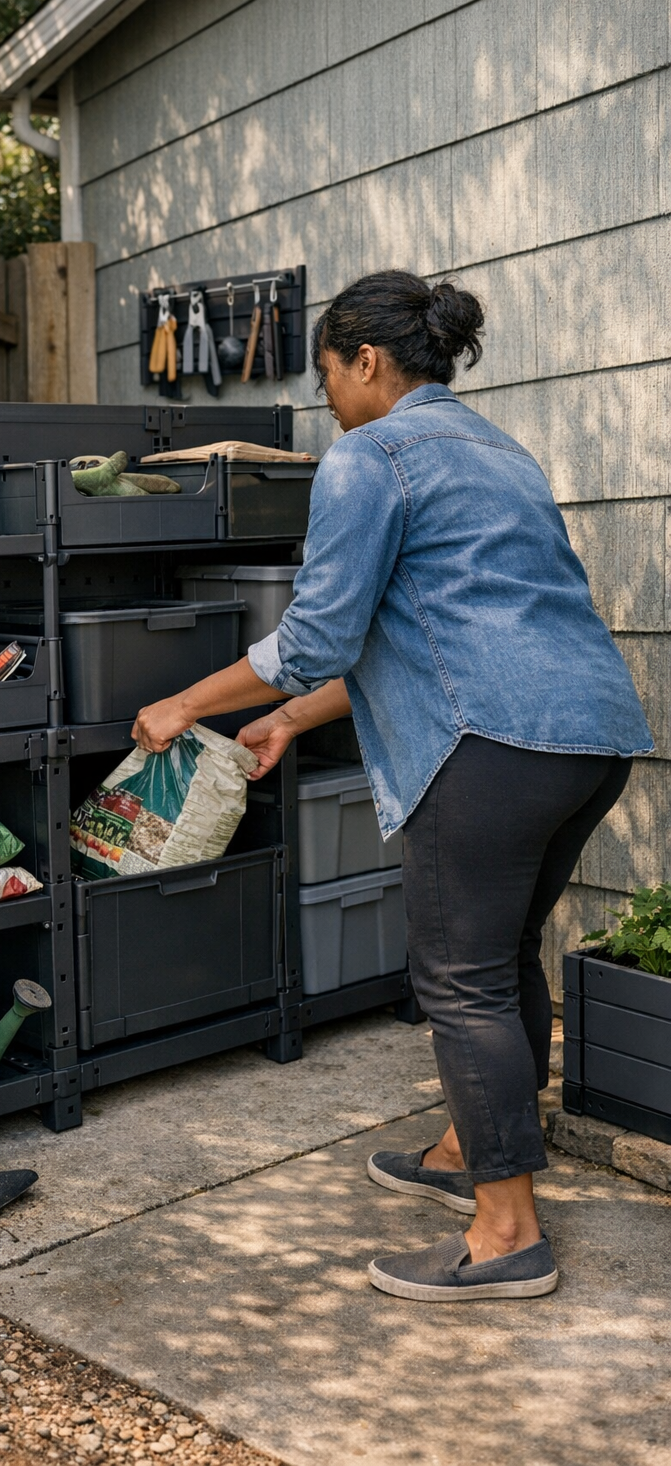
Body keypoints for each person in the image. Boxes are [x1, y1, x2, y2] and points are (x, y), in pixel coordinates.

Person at [131, 269, 653, 1302]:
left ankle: (507, 1235)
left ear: (366, 361)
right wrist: (285, 718)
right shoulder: (499, 451)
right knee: (501, 956)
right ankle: (468, 1153)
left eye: (328, 374)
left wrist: (185, 704)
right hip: (589, 735)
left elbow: (318, 636)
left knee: (458, 980)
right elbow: (435, 629)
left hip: (489, 743)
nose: (327, 398)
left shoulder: (369, 456)